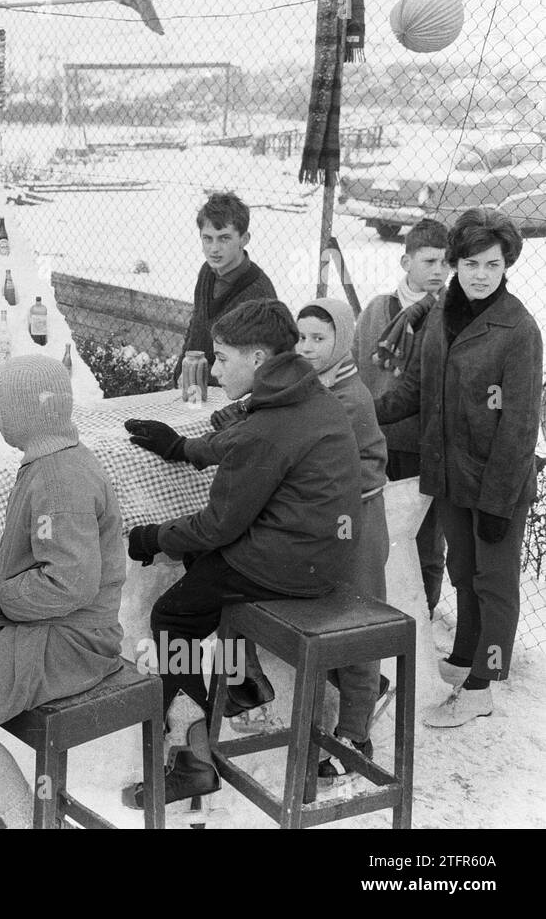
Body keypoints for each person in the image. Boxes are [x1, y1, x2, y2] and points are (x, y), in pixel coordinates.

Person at [122, 298, 360, 806]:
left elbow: (216, 525)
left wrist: (151, 538)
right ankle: (241, 683)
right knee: (203, 572)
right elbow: (247, 440)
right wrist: (182, 448)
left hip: (289, 564)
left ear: (256, 358)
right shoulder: (299, 391)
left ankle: (193, 759)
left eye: (222, 357)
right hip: (319, 552)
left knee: (174, 615)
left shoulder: (271, 421)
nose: (214, 367)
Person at [0, 355, 125, 830]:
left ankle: (32, 822)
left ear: (26, 413)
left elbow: (71, 582)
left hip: (72, 638)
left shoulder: (61, 478)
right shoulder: (50, 462)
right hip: (43, 620)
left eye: (0, 408)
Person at [375, 208, 542, 728]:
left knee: (493, 584)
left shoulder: (518, 330)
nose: (479, 275)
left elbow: (518, 429)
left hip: (496, 484)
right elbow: (413, 391)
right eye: (469, 264)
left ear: (506, 264)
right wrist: (357, 415)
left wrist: (497, 504)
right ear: (455, 264)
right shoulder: (442, 315)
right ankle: (466, 656)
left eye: (491, 265)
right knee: (463, 575)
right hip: (449, 476)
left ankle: (483, 685)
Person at [295, 298, 391, 777]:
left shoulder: (348, 398)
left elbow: (359, 469)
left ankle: (356, 739)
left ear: (343, 340)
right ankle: (366, 689)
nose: (308, 347)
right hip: (334, 525)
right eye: (302, 337)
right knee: (336, 618)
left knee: (355, 628)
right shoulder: (319, 386)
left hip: (360, 526)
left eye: (320, 338)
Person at [355, 219, 449, 618]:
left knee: (425, 543)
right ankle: (369, 619)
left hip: (424, 446)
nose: (439, 271)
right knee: (373, 536)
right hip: (376, 442)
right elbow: (359, 369)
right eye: (429, 261)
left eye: (447, 263)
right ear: (405, 260)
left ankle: (418, 624)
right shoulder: (379, 309)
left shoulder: (449, 315)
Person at [173, 192, 277, 385]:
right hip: (194, 388)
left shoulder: (258, 294)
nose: (214, 249)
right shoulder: (207, 271)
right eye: (207, 238)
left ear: (244, 239)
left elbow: (251, 368)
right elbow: (196, 329)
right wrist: (180, 373)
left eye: (224, 238)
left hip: (230, 398)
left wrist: (199, 381)